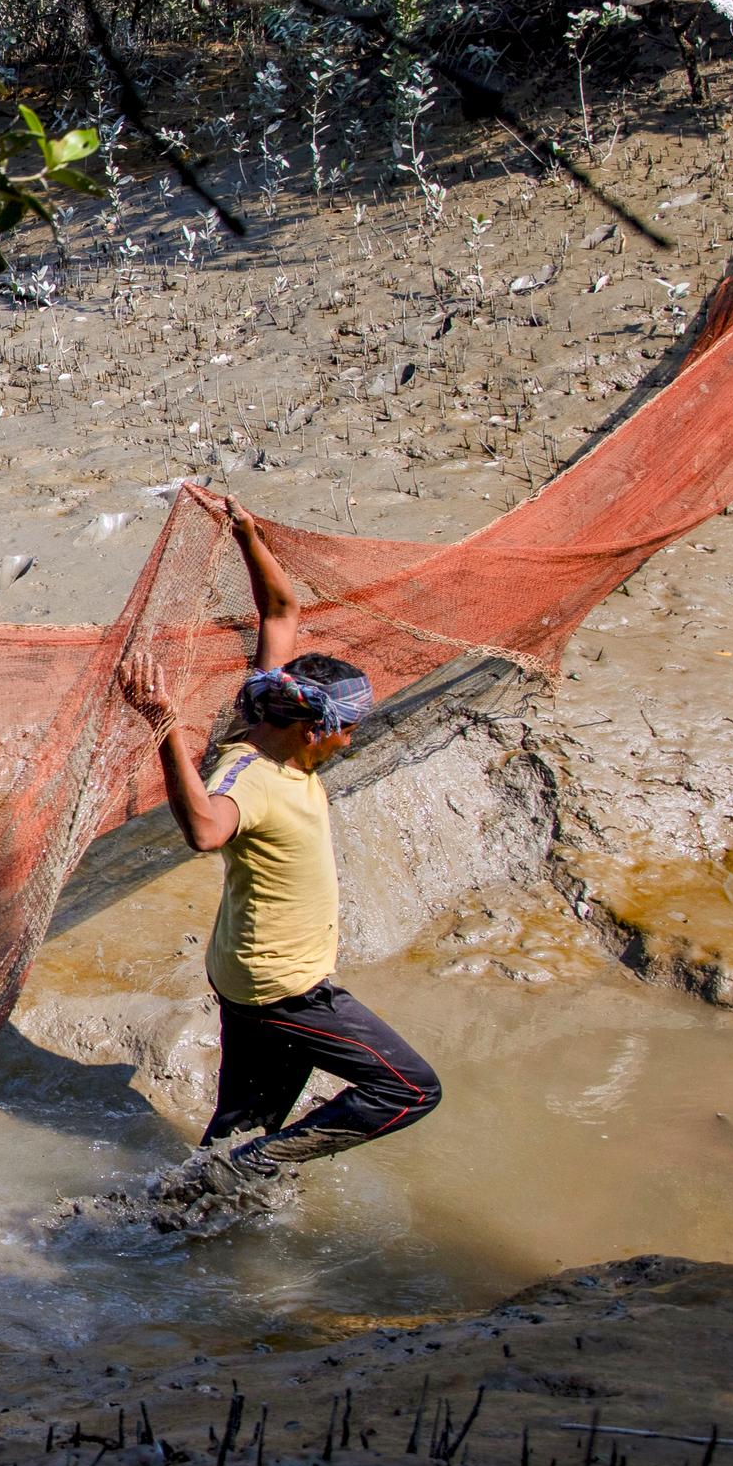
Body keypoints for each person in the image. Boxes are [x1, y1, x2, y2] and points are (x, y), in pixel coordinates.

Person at [116, 494, 441, 1177]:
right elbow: (205, 829)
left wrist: (248, 536)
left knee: (236, 1133)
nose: (352, 738)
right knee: (407, 1089)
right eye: (348, 727)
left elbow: (280, 613)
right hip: (284, 989)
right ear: (310, 726)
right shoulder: (254, 776)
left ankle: (175, 1217)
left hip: (250, 976)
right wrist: (165, 728)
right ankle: (256, 1168)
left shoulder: (263, 707)